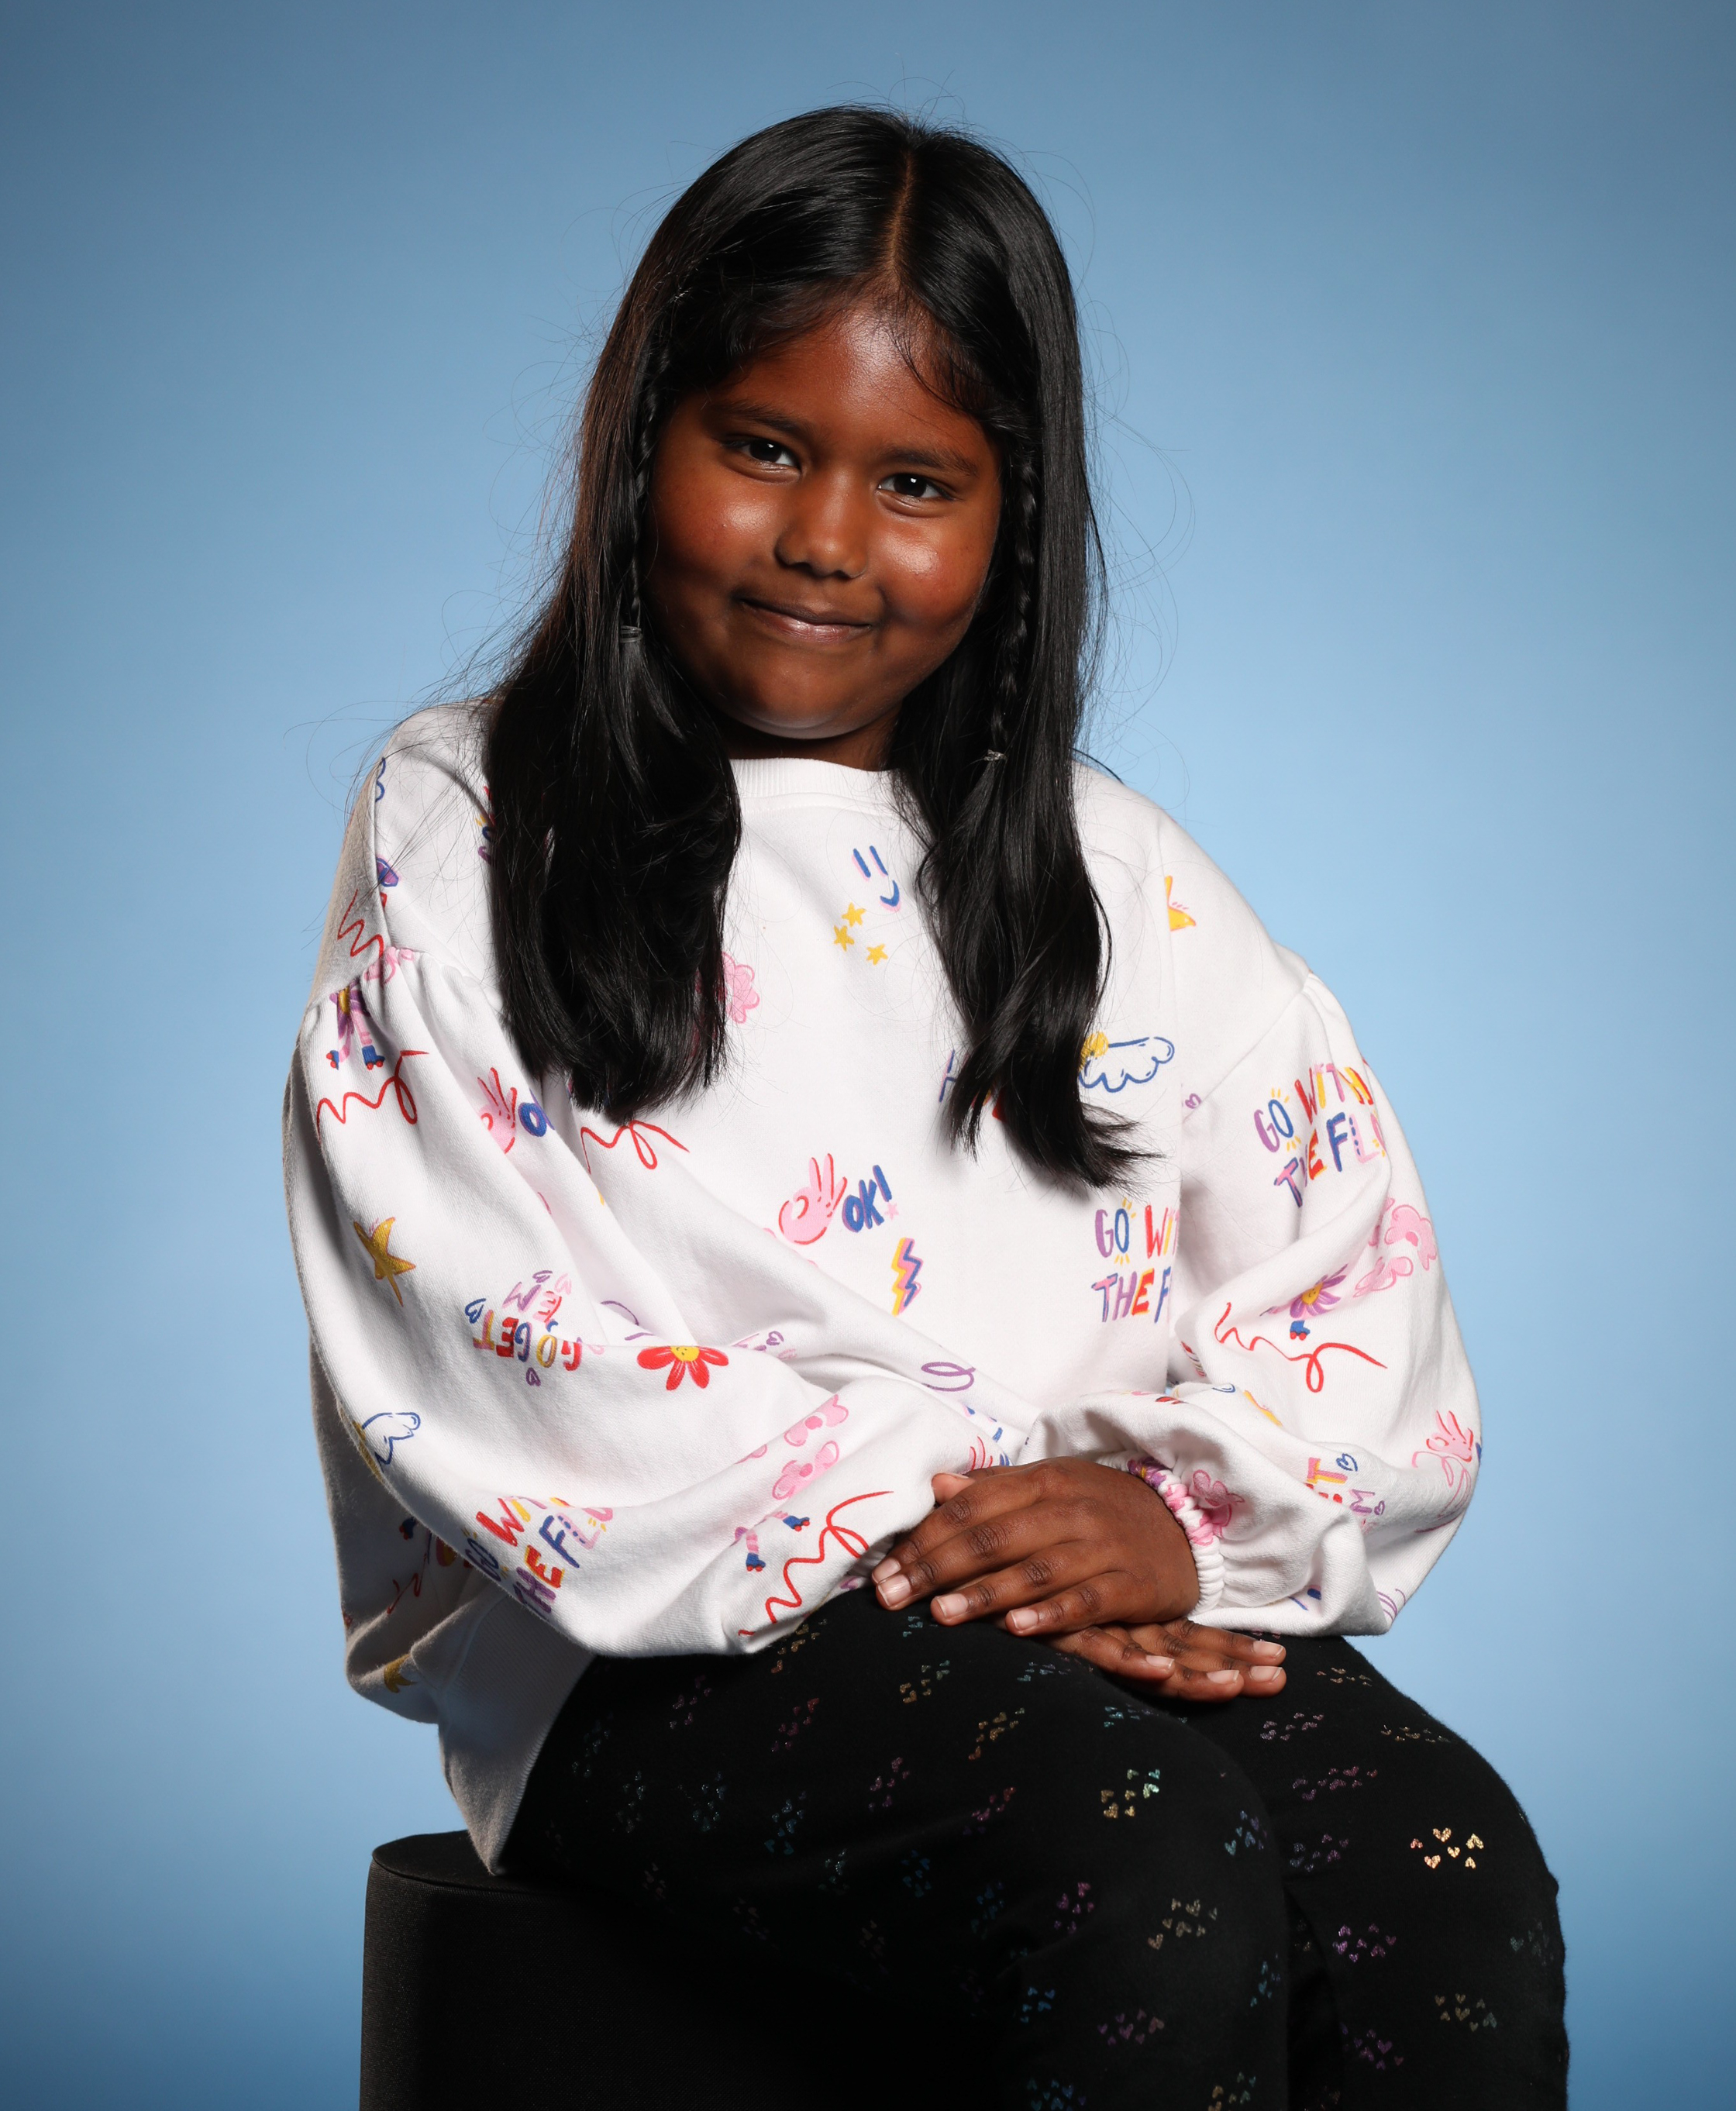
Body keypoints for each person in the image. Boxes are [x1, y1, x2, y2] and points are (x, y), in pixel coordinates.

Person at [284, 106, 1567, 2106]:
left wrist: (1167, 1521)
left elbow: (1346, 1283)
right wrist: (977, 1544)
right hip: (659, 1655)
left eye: (915, 482)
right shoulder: (473, 824)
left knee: (1441, 1875)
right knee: (1143, 1859)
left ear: (1012, 520)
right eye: (761, 448)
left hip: (1071, 1604)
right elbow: (487, 1317)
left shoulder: (1118, 880)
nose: (825, 538)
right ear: (642, 445)